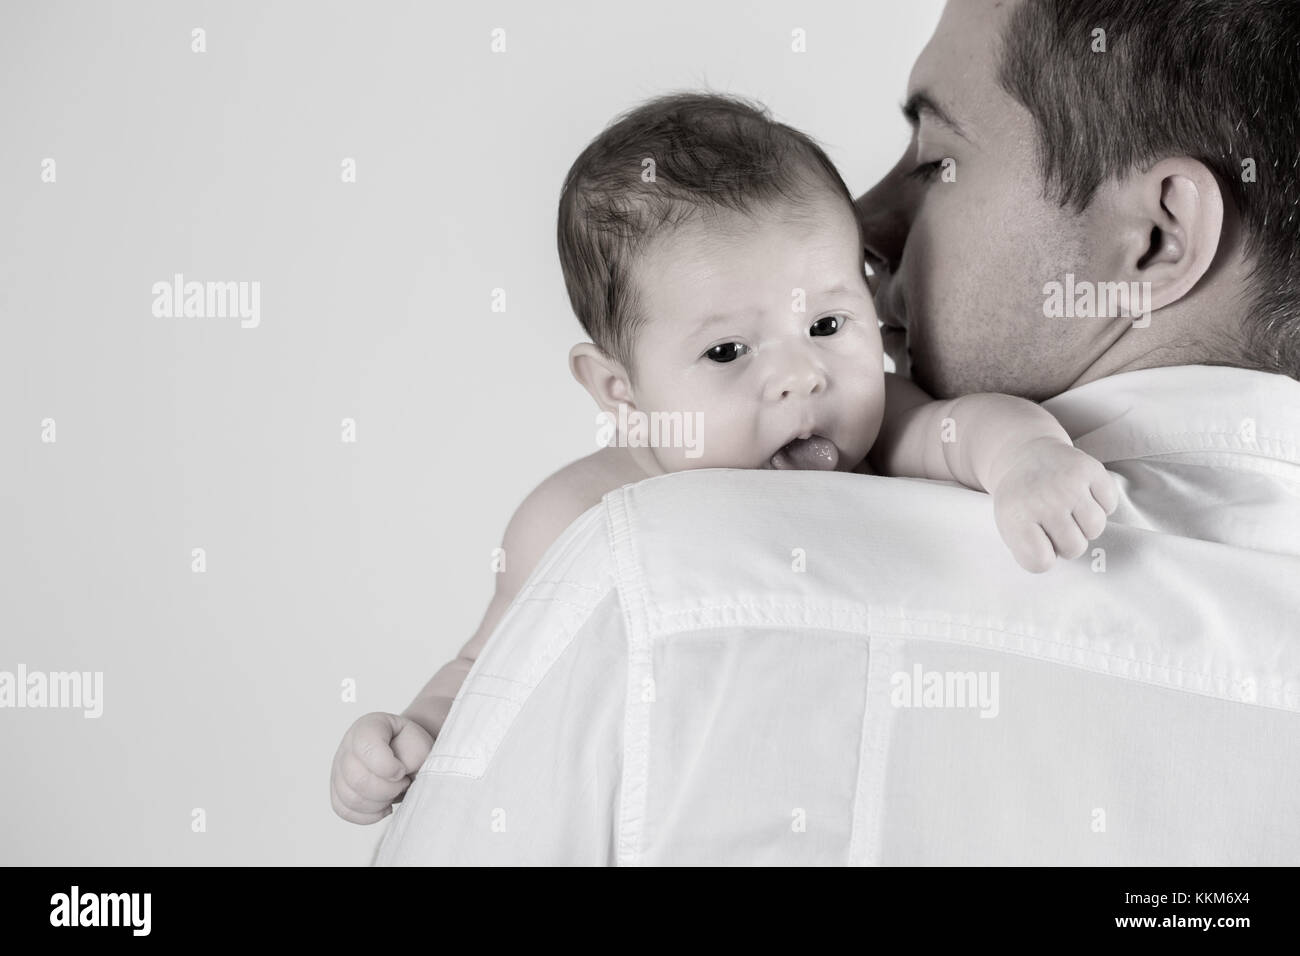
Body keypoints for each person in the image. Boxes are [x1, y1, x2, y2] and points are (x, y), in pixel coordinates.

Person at [374, 0, 1300, 864]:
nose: (859, 224)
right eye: (731, 346)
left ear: (1155, 238)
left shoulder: (654, 581)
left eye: (937, 159)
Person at [331, 91, 1120, 826]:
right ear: (621, 388)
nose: (799, 377)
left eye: (826, 326)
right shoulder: (573, 517)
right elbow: (490, 664)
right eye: (728, 349)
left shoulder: (872, 434)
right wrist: (413, 733)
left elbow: (961, 432)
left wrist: (1028, 461)